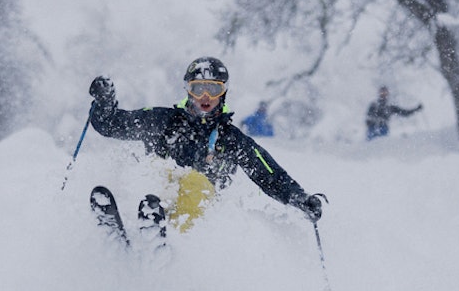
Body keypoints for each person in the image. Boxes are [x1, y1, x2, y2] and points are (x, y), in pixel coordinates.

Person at [87, 56, 323, 228]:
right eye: (198, 88)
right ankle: (139, 223)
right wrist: (104, 103)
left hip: (199, 210)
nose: (206, 97)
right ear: (188, 91)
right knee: (150, 169)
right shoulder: (163, 120)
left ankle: (171, 236)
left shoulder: (230, 138)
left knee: (194, 181)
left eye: (213, 89)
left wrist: (298, 197)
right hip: (157, 194)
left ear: (224, 92)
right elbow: (113, 125)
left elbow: (267, 172)